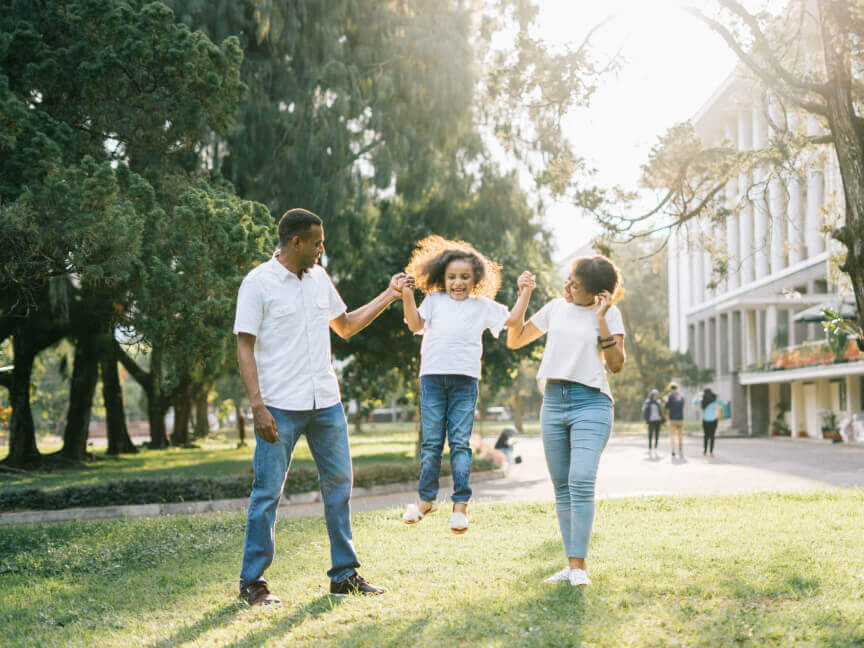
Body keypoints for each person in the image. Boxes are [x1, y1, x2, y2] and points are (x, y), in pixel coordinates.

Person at [233, 208, 406, 605]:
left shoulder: (319, 278)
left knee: (339, 487)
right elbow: (244, 346)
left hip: (326, 403)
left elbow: (344, 325)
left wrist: (390, 294)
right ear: (296, 242)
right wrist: (257, 406)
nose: (322, 249)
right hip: (279, 406)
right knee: (267, 493)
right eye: (317, 242)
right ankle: (252, 582)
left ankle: (344, 575)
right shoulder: (258, 283)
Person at [400, 235, 534, 534]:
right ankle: (426, 501)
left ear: (476, 280)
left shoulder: (482, 306)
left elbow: (513, 320)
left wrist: (524, 293)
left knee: (460, 443)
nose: (457, 283)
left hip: (465, 382)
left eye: (464, 277)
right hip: (432, 379)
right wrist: (407, 296)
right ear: (442, 278)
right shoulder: (434, 300)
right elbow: (414, 324)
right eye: (451, 277)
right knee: (432, 443)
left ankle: (460, 507)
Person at [506, 255, 626, 588]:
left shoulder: (609, 313)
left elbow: (616, 364)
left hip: (592, 402)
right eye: (568, 280)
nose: (567, 287)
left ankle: (578, 568)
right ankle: (573, 566)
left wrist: (601, 318)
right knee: (562, 488)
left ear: (598, 293)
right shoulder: (556, 308)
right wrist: (524, 295)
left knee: (581, 479)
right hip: (553, 403)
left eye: (575, 284)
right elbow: (514, 340)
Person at [693, 388, 723, 456]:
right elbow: (721, 404)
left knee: (706, 435)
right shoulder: (715, 399)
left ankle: (705, 450)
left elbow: (694, 402)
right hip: (714, 420)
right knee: (712, 436)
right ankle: (711, 452)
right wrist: (717, 396)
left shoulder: (702, 399)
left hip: (705, 420)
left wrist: (699, 395)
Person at [664, 382, 685, 458]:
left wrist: (666, 400)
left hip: (672, 419)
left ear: (670, 389)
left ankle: (673, 450)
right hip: (680, 418)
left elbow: (667, 407)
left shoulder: (669, 396)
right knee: (680, 435)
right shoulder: (681, 396)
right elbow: (682, 405)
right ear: (676, 388)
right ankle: (680, 449)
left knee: (672, 435)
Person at [641, 389, 664, 453]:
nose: (655, 396)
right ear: (652, 395)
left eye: (656, 395)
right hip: (651, 420)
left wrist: (662, 418)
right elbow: (643, 409)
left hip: (658, 420)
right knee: (650, 434)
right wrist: (646, 417)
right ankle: (650, 447)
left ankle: (656, 447)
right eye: (654, 395)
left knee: (657, 434)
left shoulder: (658, 401)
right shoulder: (648, 402)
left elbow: (661, 411)